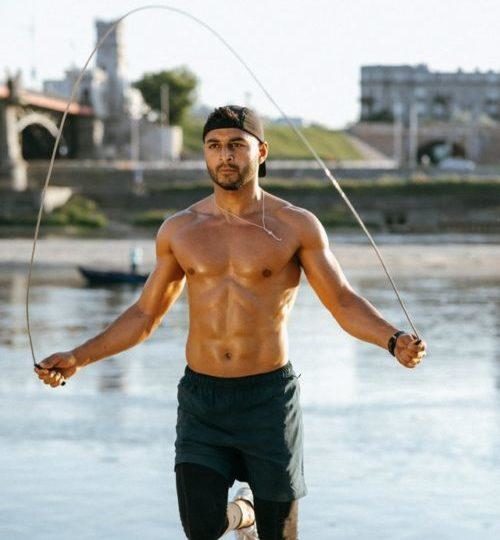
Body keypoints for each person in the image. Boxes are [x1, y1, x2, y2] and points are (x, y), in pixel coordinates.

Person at [35, 105, 427, 540]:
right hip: (203, 399)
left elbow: (342, 301)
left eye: (236, 146)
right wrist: (77, 357)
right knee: (201, 527)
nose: (225, 156)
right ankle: (244, 513)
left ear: (260, 152)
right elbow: (145, 314)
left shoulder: (296, 225)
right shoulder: (179, 230)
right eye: (215, 146)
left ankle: (259, 516)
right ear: (204, 154)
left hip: (267, 400)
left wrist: (392, 341)